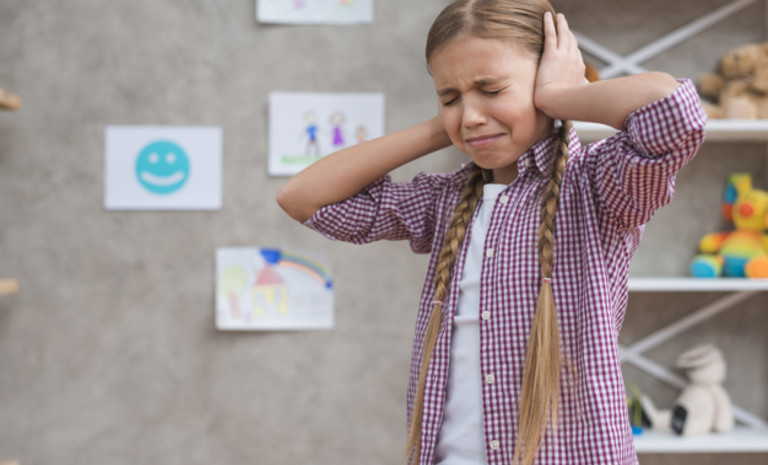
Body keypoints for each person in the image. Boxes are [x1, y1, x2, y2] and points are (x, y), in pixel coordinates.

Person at [276, 0, 706, 464]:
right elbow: (304, 198)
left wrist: (558, 96)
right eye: (450, 97)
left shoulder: (597, 185)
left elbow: (674, 113)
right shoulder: (444, 200)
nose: (471, 116)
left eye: (492, 89)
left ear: (544, 77)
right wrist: (444, 128)